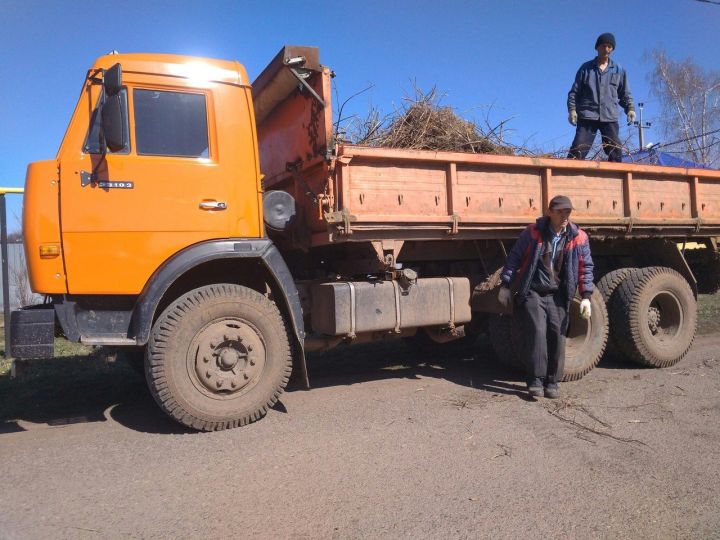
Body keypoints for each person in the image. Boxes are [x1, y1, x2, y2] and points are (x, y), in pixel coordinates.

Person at [497, 195, 594, 399]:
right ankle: (535, 381)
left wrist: (586, 295)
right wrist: (505, 284)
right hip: (533, 290)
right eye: (560, 212)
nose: (565, 216)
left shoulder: (579, 237)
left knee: (557, 335)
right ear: (549, 212)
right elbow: (514, 257)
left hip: (559, 294)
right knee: (537, 332)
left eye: (568, 212)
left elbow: (586, 267)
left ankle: (552, 382)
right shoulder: (533, 233)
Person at [567, 32, 635, 162]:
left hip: (609, 117)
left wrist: (630, 108)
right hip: (587, 116)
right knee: (578, 148)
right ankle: (566, 178)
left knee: (615, 150)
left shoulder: (618, 70)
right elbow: (574, 92)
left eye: (610, 47)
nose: (607, 49)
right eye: (604, 46)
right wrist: (572, 110)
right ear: (597, 47)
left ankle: (616, 179)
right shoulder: (586, 69)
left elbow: (624, 93)